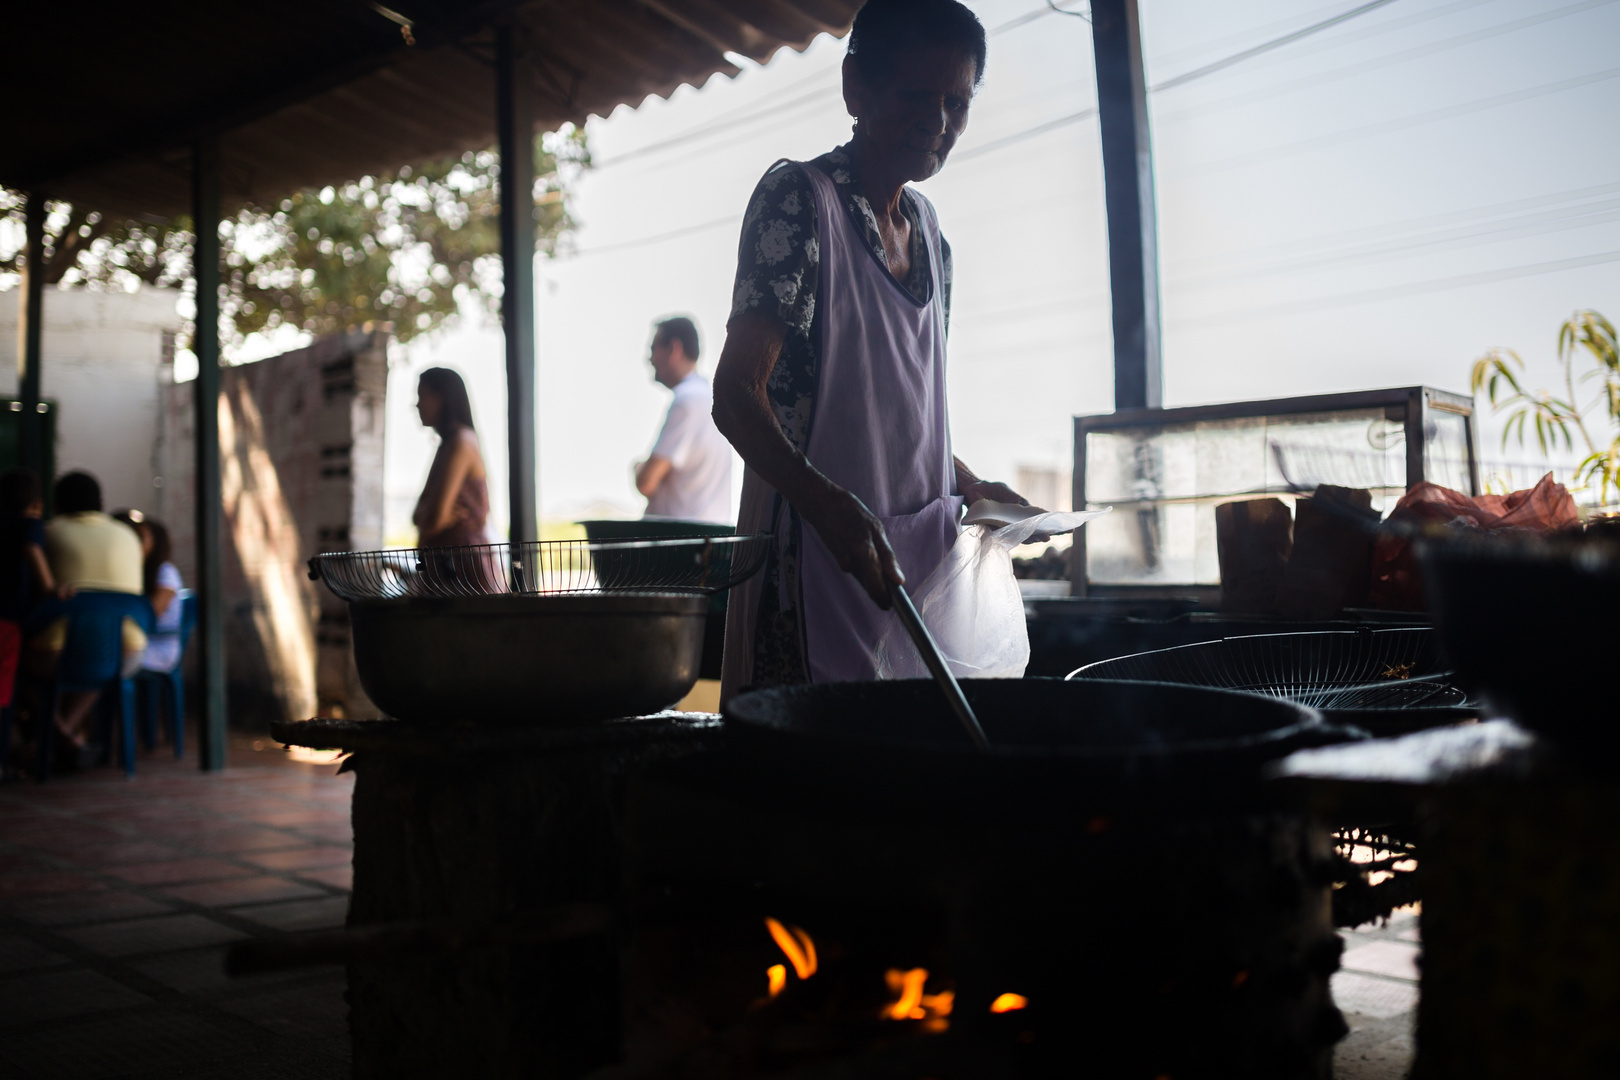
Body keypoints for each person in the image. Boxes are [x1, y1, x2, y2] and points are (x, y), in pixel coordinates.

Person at [712, 0, 1030, 701]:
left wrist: (971, 488)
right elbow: (737, 397)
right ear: (856, 85)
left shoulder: (931, 238)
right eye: (916, 95)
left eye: (958, 102)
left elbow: (896, 416)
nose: (938, 122)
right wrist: (828, 508)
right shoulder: (800, 200)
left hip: (909, 576)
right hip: (806, 569)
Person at [38, 471, 146, 760]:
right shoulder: (128, 536)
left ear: (56, 504)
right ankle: (66, 738)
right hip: (126, 652)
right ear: (101, 502)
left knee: (17, 674)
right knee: (98, 671)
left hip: (59, 653)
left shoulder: (48, 533)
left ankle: (50, 739)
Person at [634, 316, 733, 524]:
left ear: (673, 349)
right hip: (710, 536)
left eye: (653, 349)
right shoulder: (710, 397)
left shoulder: (687, 402)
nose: (649, 359)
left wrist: (638, 467)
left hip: (679, 545)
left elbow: (646, 482)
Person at [0, 468, 61, 720]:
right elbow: (32, 549)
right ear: (37, 504)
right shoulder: (30, 526)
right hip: (8, 617)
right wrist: (50, 587)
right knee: (4, 690)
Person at [412, 367, 493, 548]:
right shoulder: (448, 444)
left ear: (441, 397)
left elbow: (433, 521)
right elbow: (417, 516)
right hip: (450, 566)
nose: (417, 405)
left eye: (422, 396)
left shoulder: (460, 443)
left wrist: (432, 516)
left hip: (464, 567)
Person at [112, 513, 183, 674]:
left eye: (141, 537)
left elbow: (151, 612)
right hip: (135, 640)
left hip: (157, 646)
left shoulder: (166, 572)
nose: (135, 543)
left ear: (157, 543)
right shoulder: (138, 571)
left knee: (109, 658)